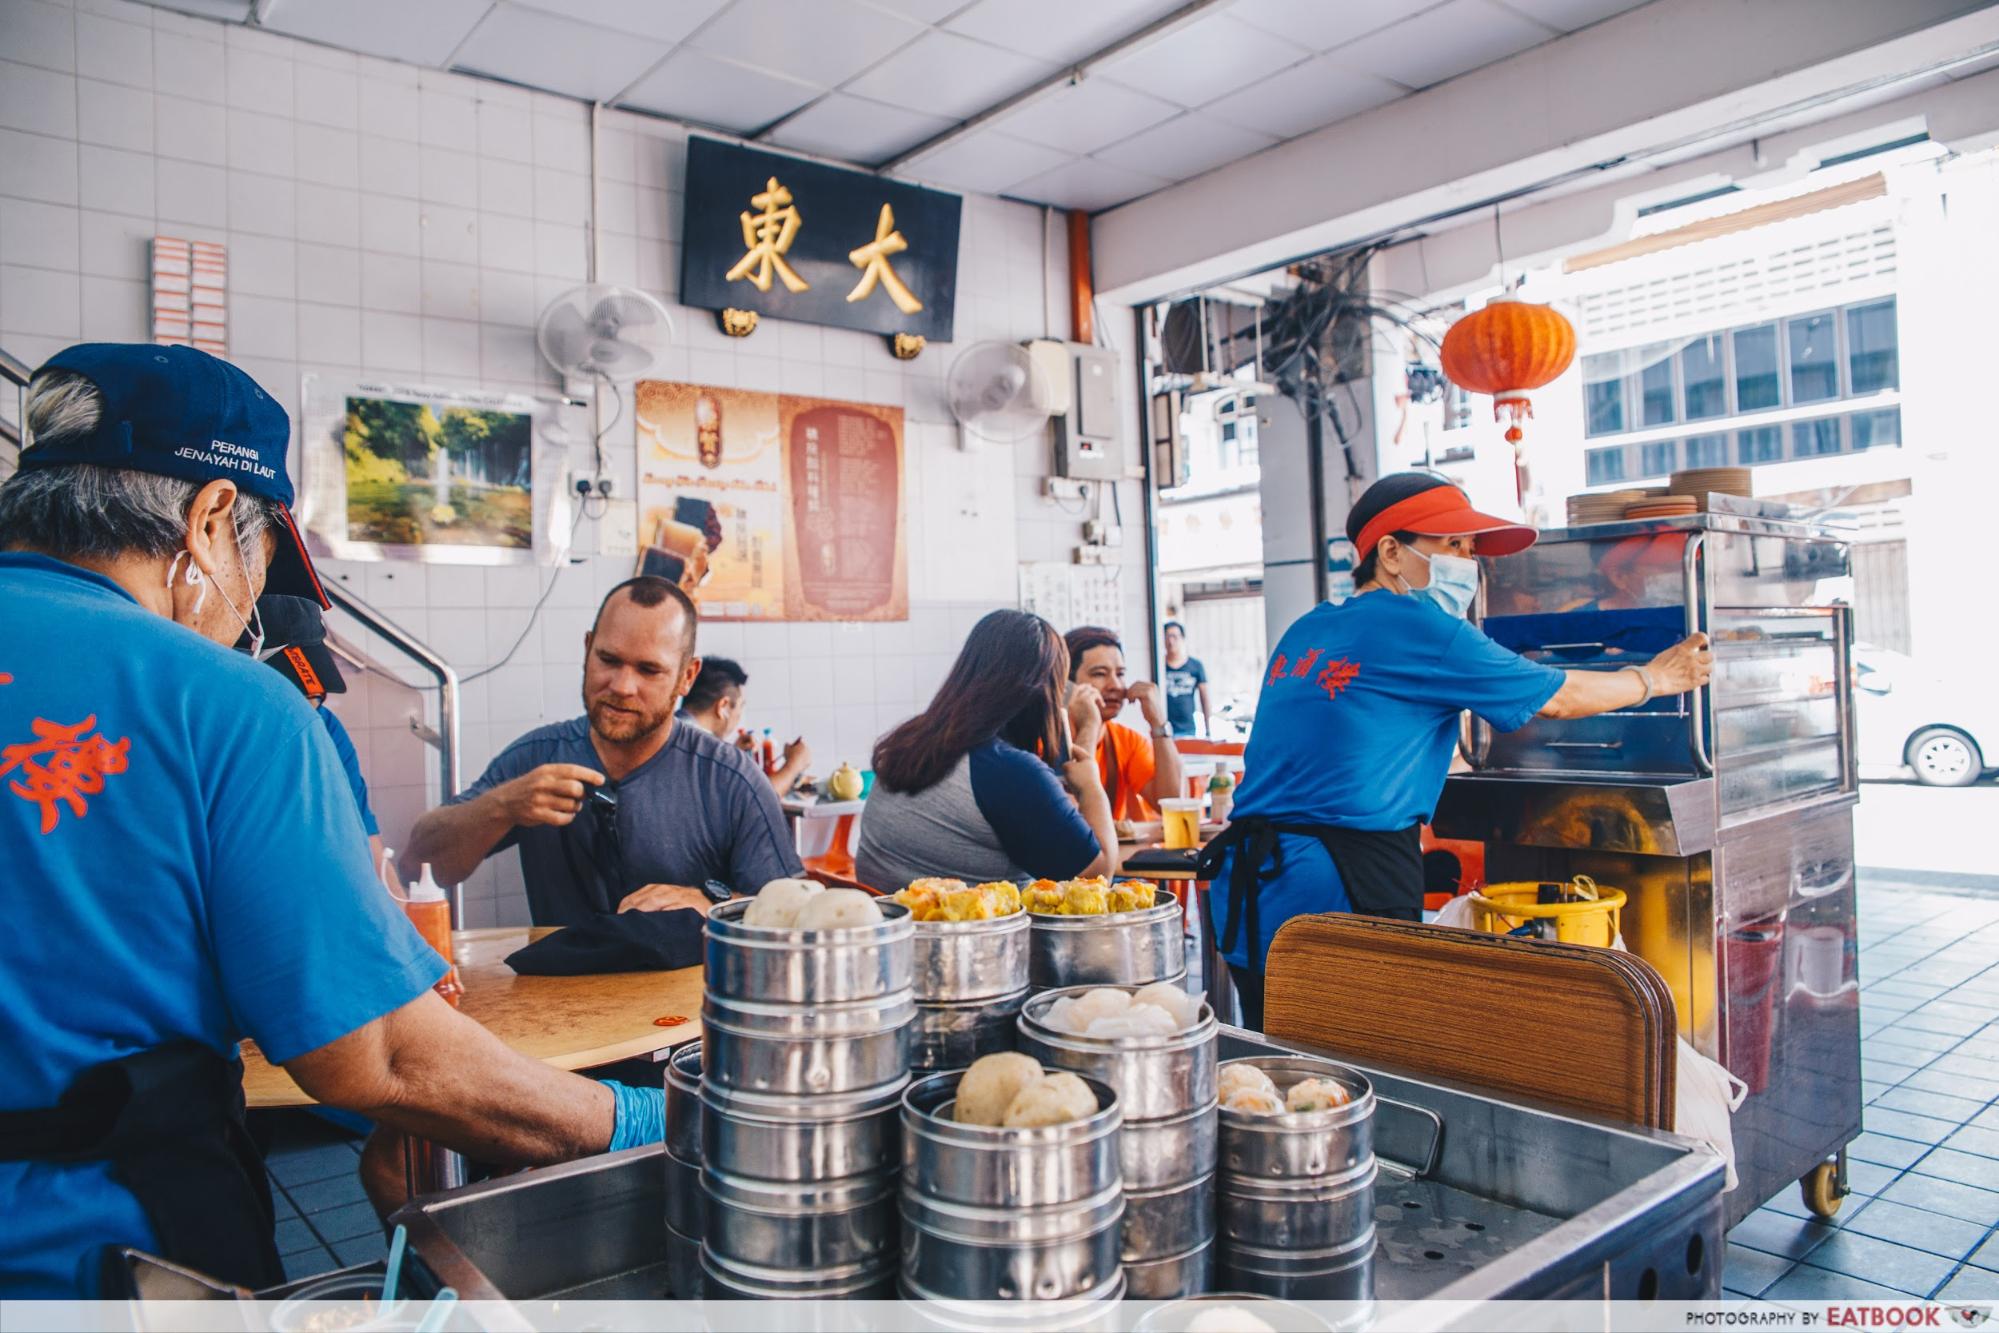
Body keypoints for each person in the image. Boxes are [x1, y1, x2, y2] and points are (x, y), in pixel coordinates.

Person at [0, 344, 662, 1296]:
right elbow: (377, 1053)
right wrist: (644, 1122)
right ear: (211, 518)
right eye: (260, 557)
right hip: (92, 1260)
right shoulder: (224, 702)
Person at [1200, 472, 1712, 1028]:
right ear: (1391, 552)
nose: (1467, 562)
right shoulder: (1420, 625)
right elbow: (1560, 697)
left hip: (1255, 886)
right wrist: (1656, 678)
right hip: (1339, 886)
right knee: (1358, 1070)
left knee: (1276, 1066)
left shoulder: (1310, 627)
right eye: (1451, 545)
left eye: (1470, 548)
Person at [404, 577, 802, 924]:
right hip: (564, 1002)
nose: (622, 686)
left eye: (649, 670)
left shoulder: (729, 780)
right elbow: (420, 864)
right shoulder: (537, 758)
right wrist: (501, 806)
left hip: (688, 1003)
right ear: (588, 649)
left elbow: (796, 912)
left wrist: (710, 902)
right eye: (608, 660)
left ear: (687, 677)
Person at [856, 610, 1118, 891]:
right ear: (1045, 690)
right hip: (965, 929)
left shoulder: (913, 739)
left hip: (893, 920)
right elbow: (1095, 880)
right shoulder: (1007, 770)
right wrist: (1091, 784)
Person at [248, 593, 402, 893]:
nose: (308, 711)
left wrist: (410, 927)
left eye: (315, 699)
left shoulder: (327, 729)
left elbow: (370, 855)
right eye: (291, 698)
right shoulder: (219, 737)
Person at [1065, 626, 1184, 824]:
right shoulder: (1046, 741)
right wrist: (1089, 725)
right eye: (1100, 674)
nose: (1116, 686)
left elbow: (1172, 805)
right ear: (1067, 685)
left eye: (1120, 674)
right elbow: (1067, 823)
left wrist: (1158, 724)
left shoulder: (1127, 740)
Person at [679, 656, 810, 797]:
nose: (740, 714)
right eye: (741, 706)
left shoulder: (673, 732)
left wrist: (733, 754)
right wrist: (793, 765)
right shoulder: (703, 747)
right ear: (723, 706)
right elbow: (758, 799)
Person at [1161, 620, 1211, 738]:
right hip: (1164, 729)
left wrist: (1208, 729)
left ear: (1182, 638)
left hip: (1188, 729)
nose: (1170, 641)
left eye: (1174, 636)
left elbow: (1205, 699)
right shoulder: (1158, 666)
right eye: (1167, 636)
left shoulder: (1195, 666)